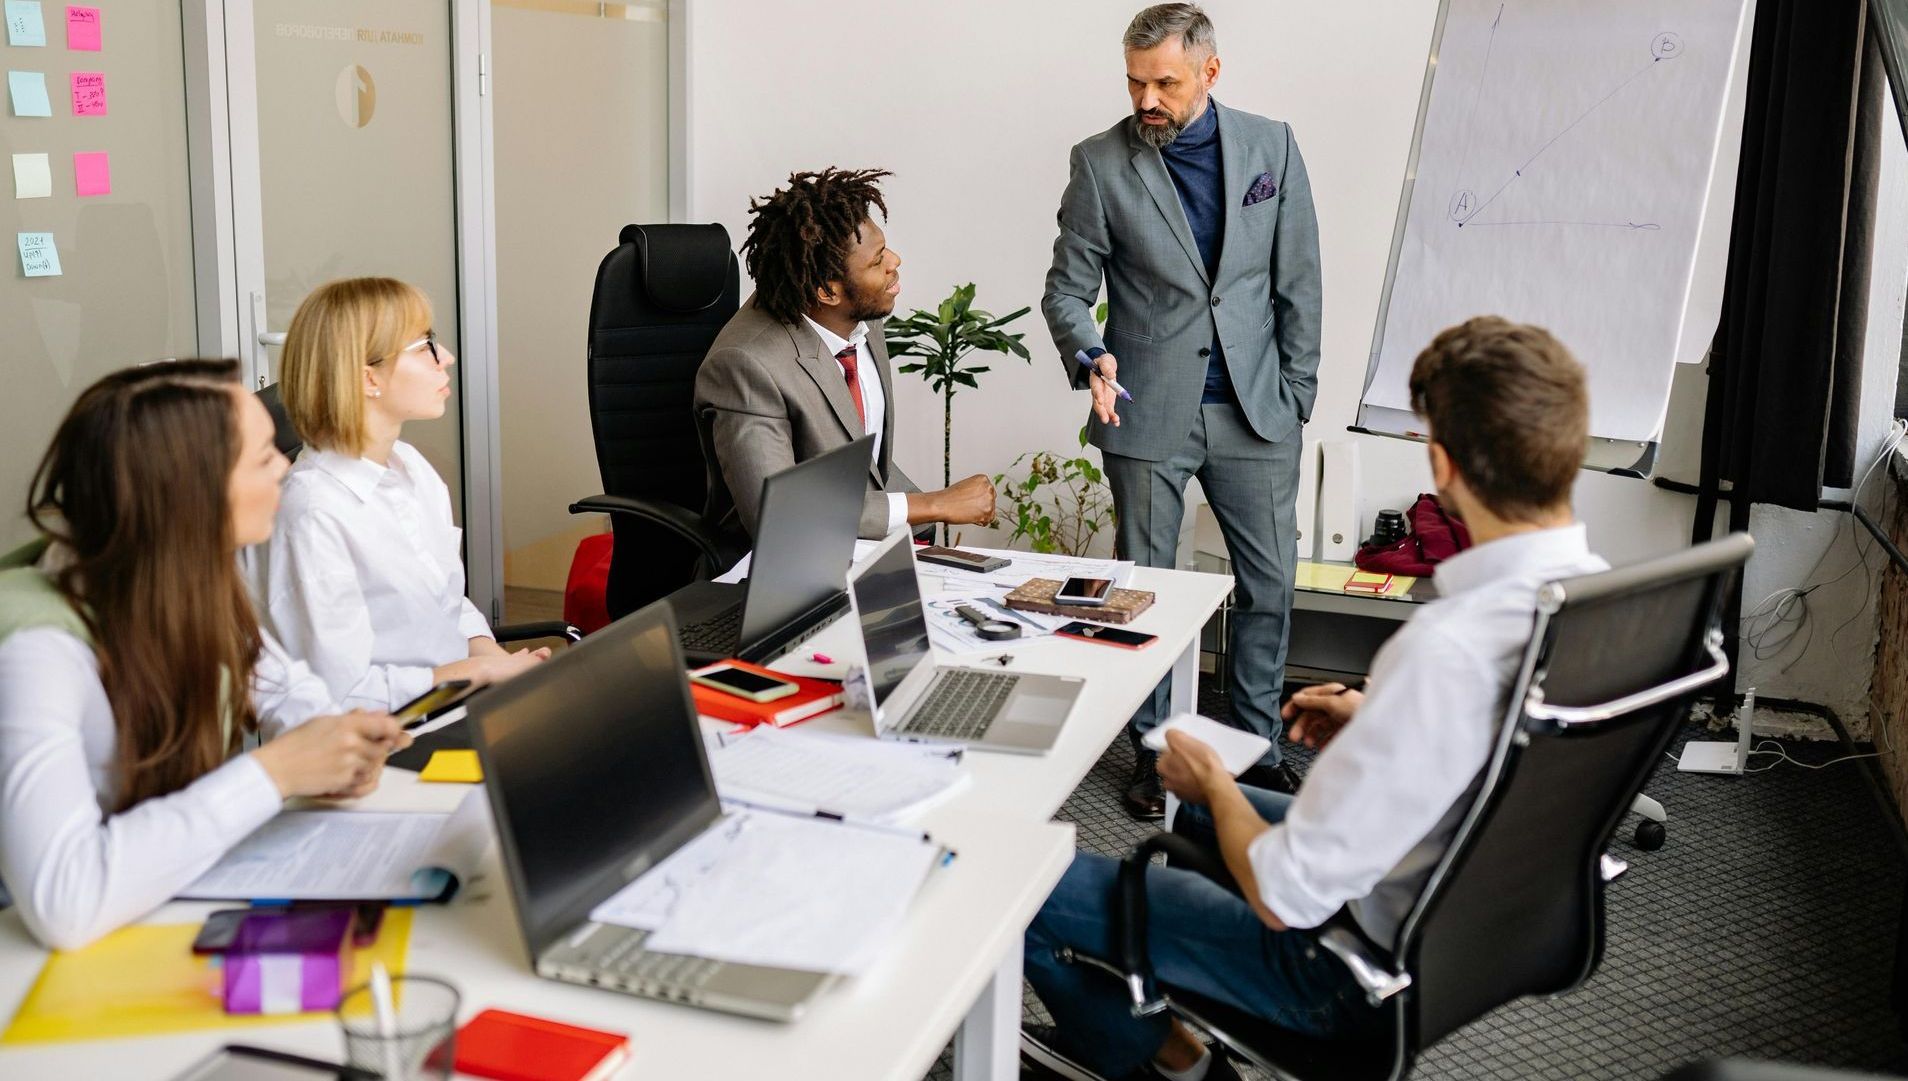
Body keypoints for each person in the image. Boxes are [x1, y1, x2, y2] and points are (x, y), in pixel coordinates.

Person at [1019, 317, 1609, 1081]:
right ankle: (1177, 978)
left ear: (1442, 462)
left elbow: (1279, 892)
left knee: (1018, 883)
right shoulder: (1600, 600)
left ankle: (1177, 1062)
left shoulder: (1444, 646)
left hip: (1341, 972)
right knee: (1198, 818)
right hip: (1474, 929)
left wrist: (1217, 784)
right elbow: (1517, 754)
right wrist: (1384, 724)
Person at [0, 360, 410, 949]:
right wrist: (278, 770)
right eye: (264, 456)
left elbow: (279, 684)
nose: (286, 468)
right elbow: (66, 902)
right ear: (192, 491)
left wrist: (334, 743)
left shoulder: (181, 579)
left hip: (142, 908)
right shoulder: (38, 650)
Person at [1043, 3, 1323, 819]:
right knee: (1151, 594)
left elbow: (1297, 280)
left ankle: (1257, 748)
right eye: (1135, 83)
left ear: (1210, 71)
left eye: (1165, 82)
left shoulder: (1273, 146)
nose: (1147, 101)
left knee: (1268, 586)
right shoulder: (1099, 163)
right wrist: (1089, 353)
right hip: (1146, 408)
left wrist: (1297, 394)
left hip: (1256, 407)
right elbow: (1066, 289)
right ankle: (1160, 755)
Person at [251, 278, 546, 712]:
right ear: (368, 377)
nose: (446, 358)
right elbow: (340, 694)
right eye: (425, 345)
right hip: (383, 741)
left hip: (455, 705)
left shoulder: (412, 469)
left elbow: (446, 606)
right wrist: (474, 674)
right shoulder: (313, 513)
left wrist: (501, 667)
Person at [695, 167, 998, 540]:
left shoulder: (862, 318)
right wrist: (935, 505)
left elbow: (869, 467)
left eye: (885, 249)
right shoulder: (747, 365)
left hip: (861, 552)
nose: (895, 262)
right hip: (778, 572)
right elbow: (777, 515)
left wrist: (923, 529)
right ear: (827, 291)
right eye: (877, 261)